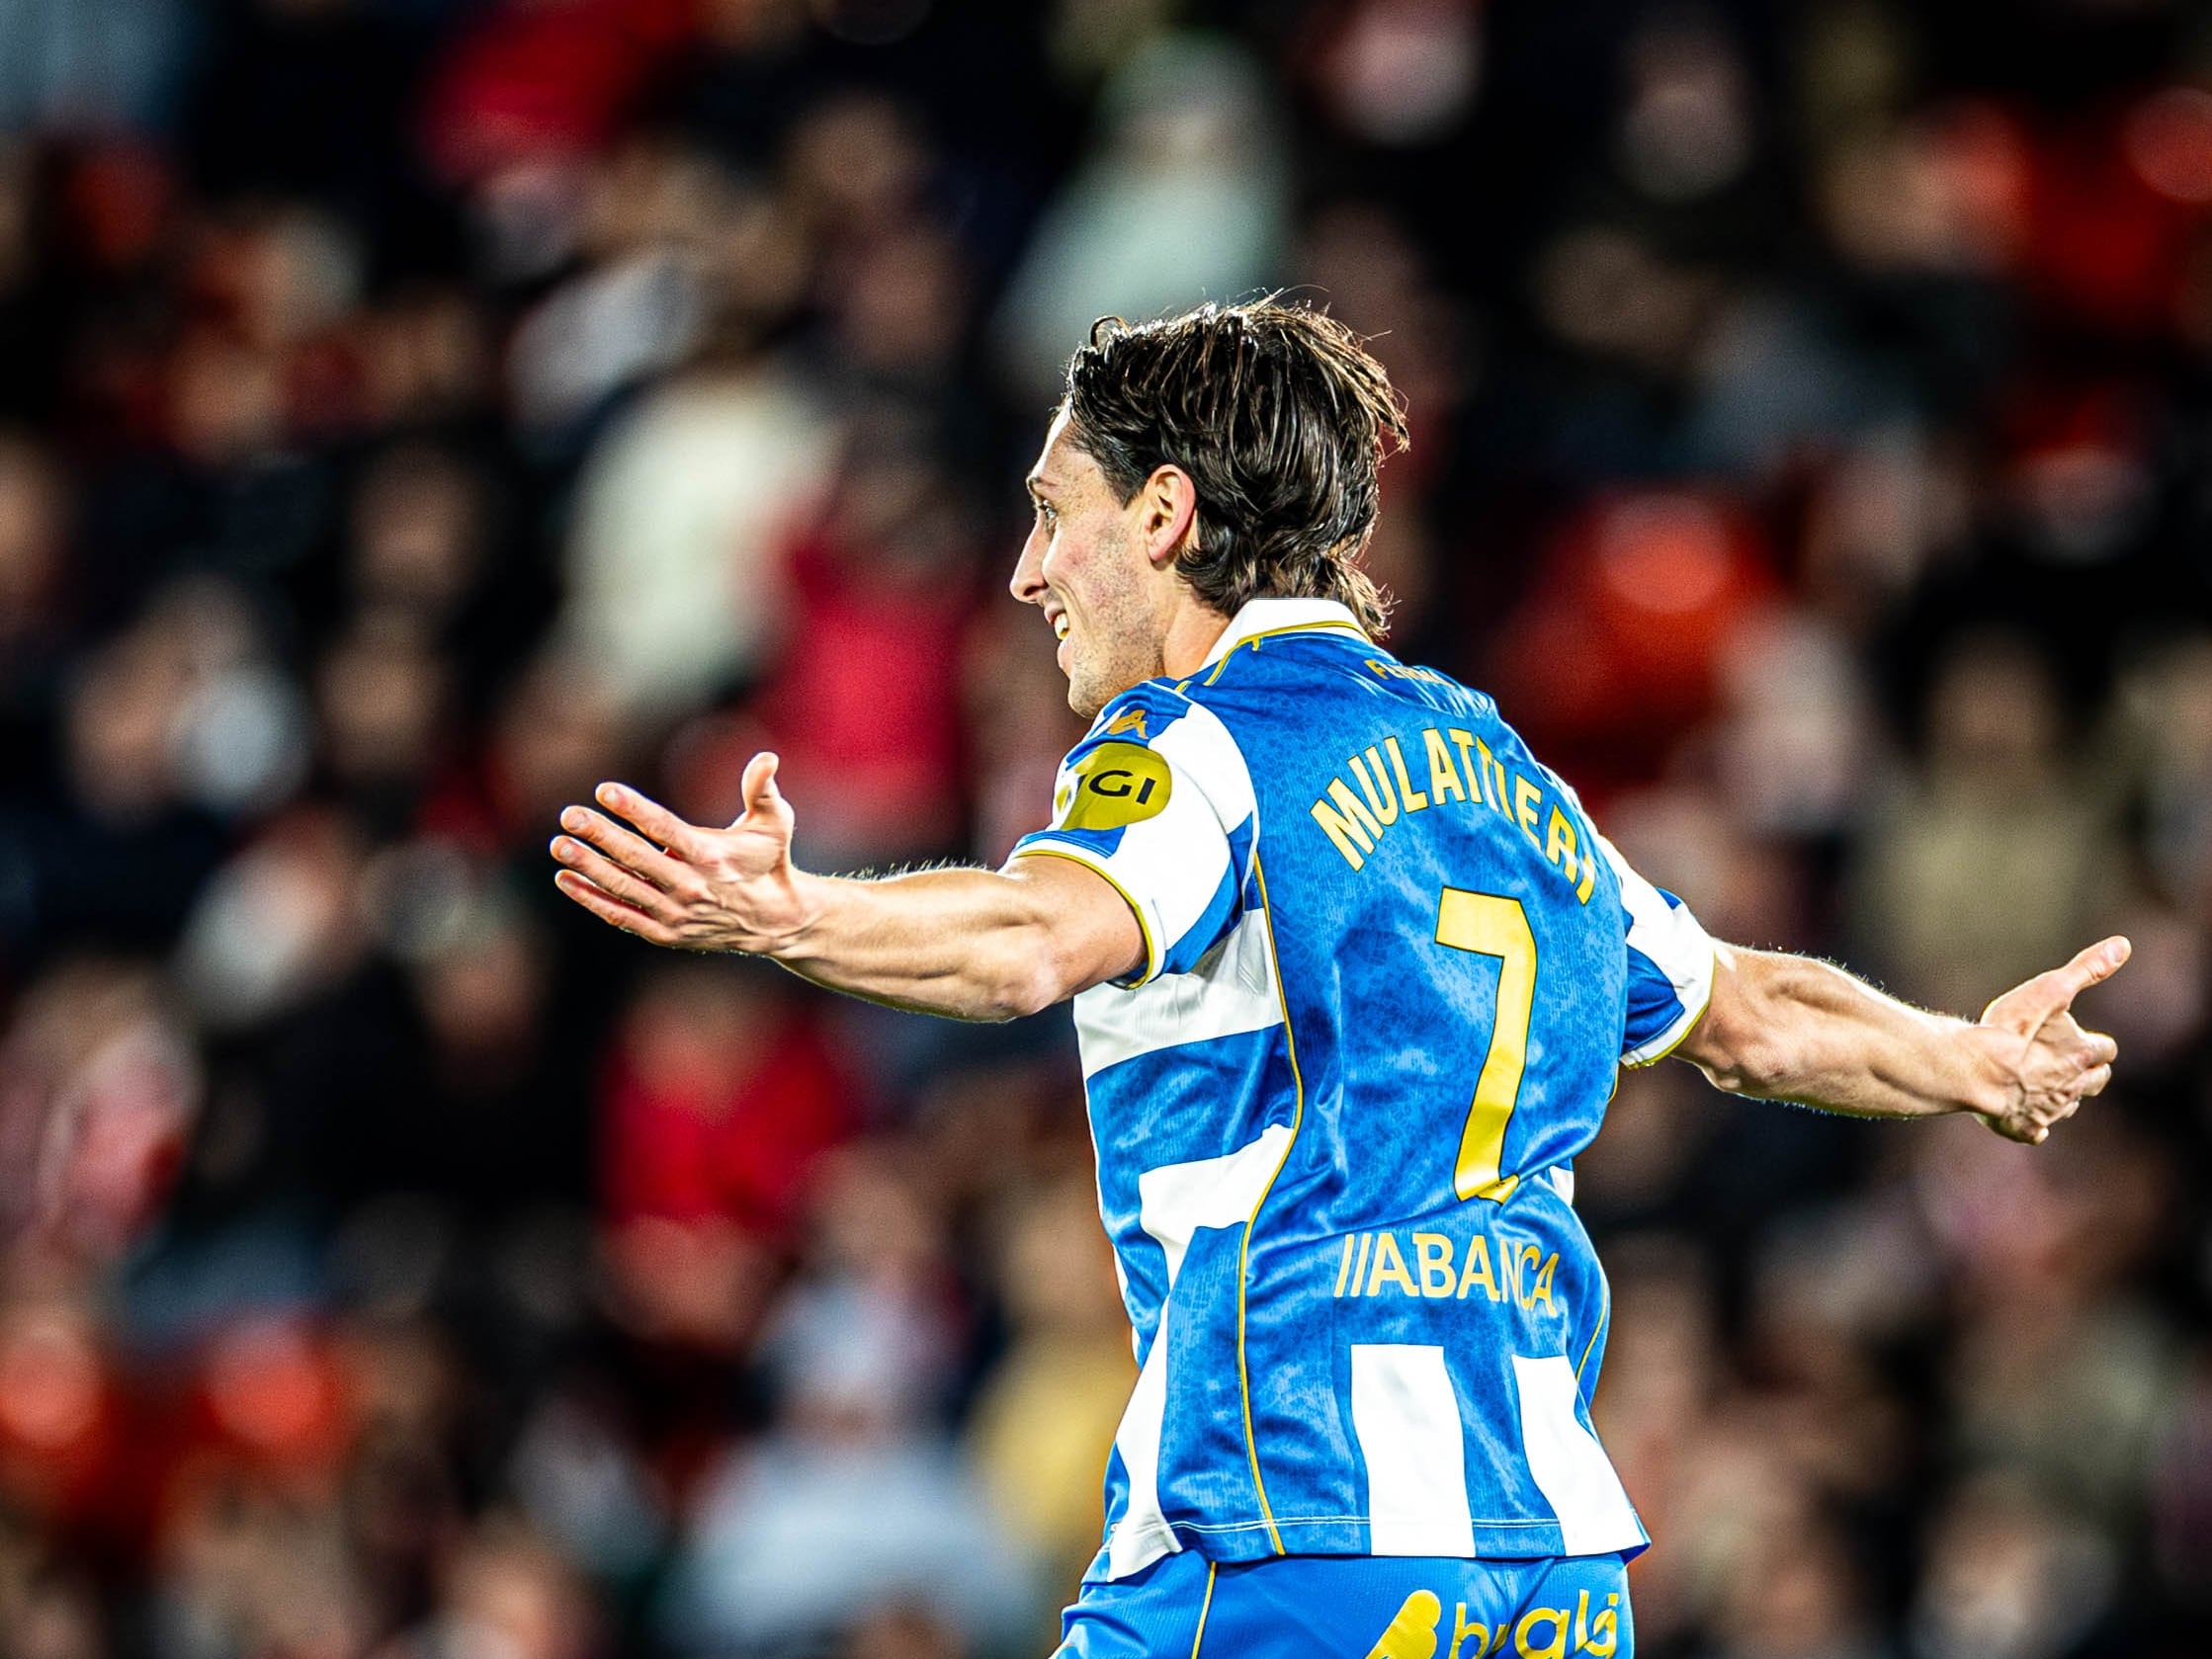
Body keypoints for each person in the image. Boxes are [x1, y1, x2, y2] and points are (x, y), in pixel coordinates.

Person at [547, 298, 2126, 1659]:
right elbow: (1745, 1011)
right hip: (1542, 1558)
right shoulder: (1498, 773)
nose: (1028, 573)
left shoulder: (1198, 747)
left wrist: (786, 918)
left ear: (1162, 516)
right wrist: (1972, 1064)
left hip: (1289, 1518)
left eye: (1051, 513)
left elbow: (1035, 938)